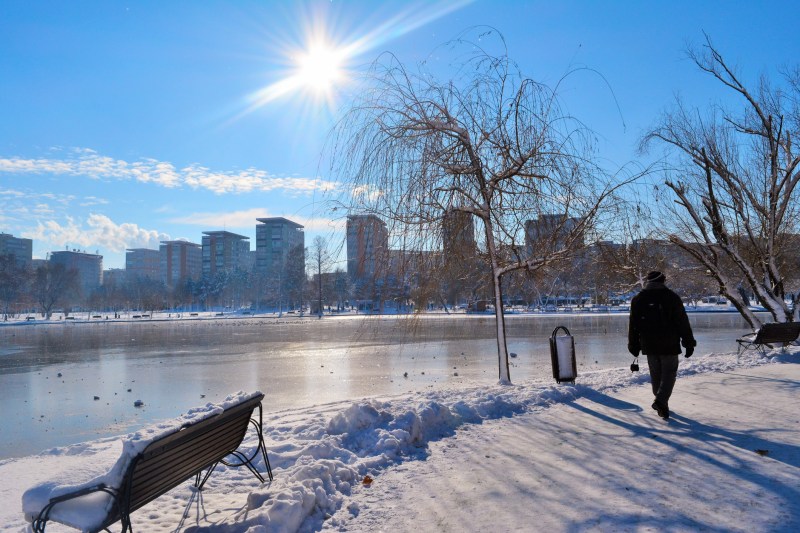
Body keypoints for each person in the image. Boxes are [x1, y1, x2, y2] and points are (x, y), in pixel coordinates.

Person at [628, 270, 696, 419]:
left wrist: (633, 344)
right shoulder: (672, 297)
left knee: (656, 375)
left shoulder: (638, 299)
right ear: (663, 281)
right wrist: (688, 343)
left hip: (649, 344)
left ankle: (662, 405)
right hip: (669, 343)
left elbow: (633, 324)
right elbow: (682, 321)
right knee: (669, 374)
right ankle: (660, 401)